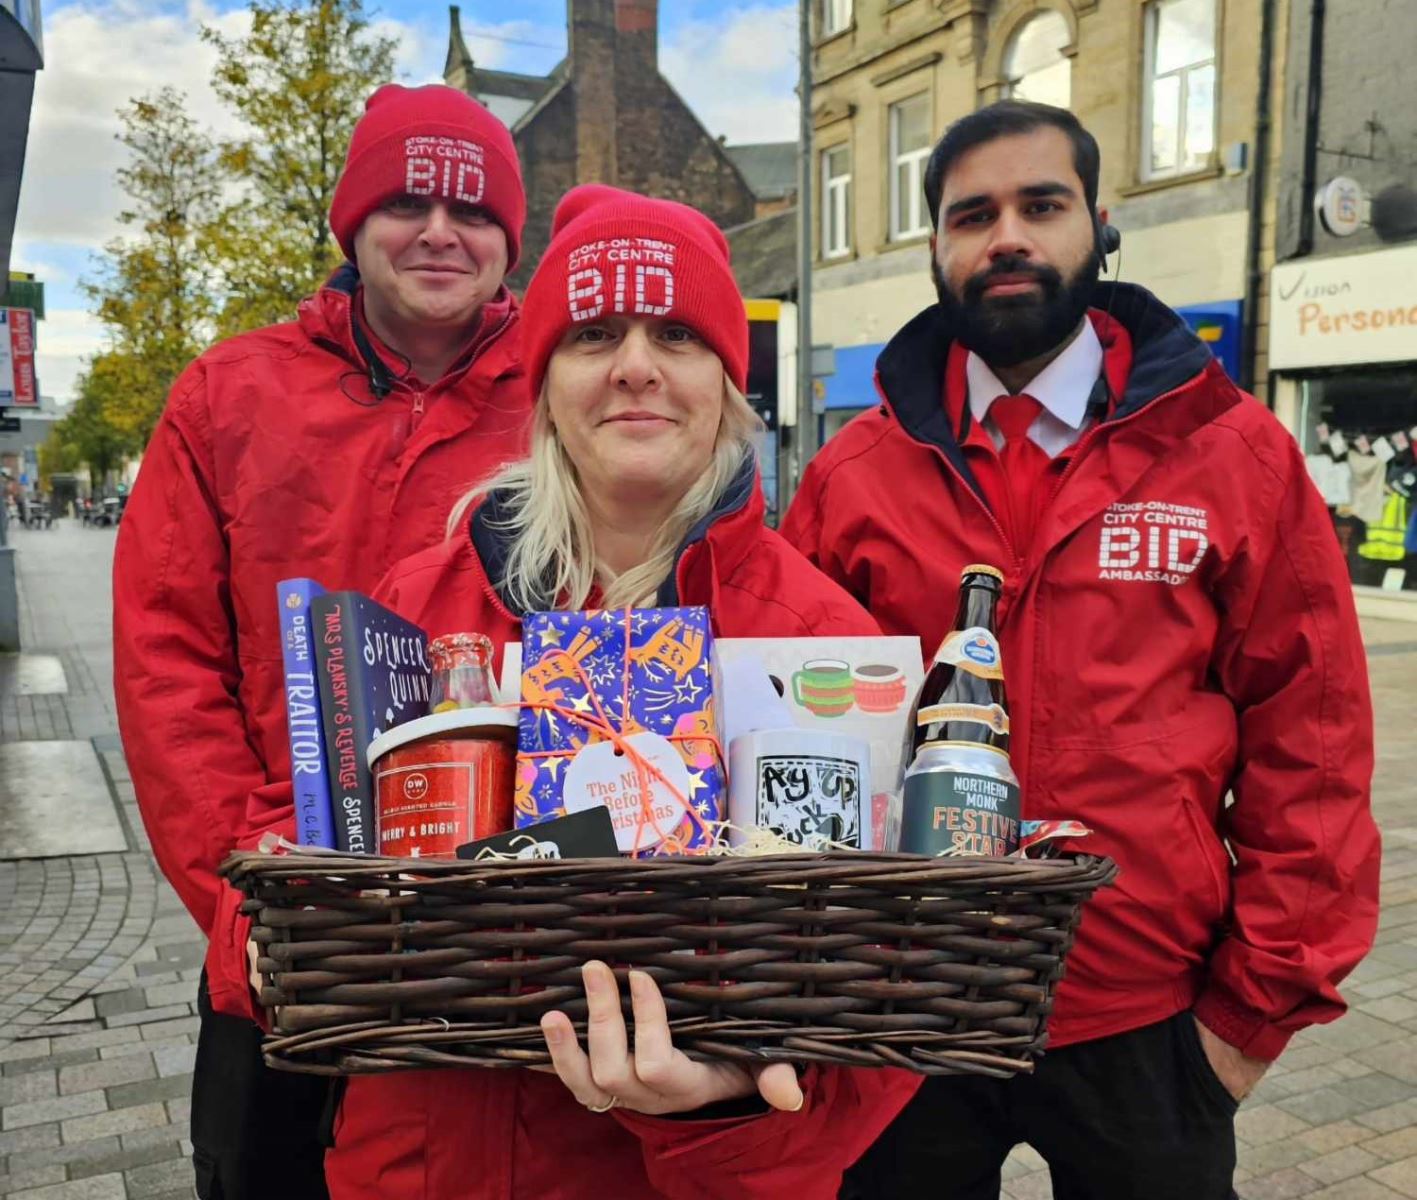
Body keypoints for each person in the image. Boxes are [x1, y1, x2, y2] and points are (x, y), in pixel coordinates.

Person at [201, 183, 921, 1199]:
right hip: (414, 1169)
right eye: (592, 334)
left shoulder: (819, 644)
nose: (635, 365)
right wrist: (262, 945)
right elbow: (291, 828)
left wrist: (728, 1101)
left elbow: (883, 1007)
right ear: (541, 385)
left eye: (676, 332)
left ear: (728, 378)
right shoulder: (423, 599)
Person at [782, 100, 1380, 1200]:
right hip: (902, 1014)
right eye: (972, 214)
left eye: (1040, 205)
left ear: (1097, 227)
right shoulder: (849, 478)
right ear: (935, 248)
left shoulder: (1229, 453)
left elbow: (1316, 739)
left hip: (1149, 1017)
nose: (1006, 235)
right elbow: (777, 731)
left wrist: (1247, 1021)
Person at [112, 83, 532, 1200]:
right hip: (284, 929)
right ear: (352, 222)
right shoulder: (227, 396)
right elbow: (168, 662)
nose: (441, 232)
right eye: (408, 200)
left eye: (474, 210)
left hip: (504, 929)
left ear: (509, 239)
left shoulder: (565, 396)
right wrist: (248, 894)